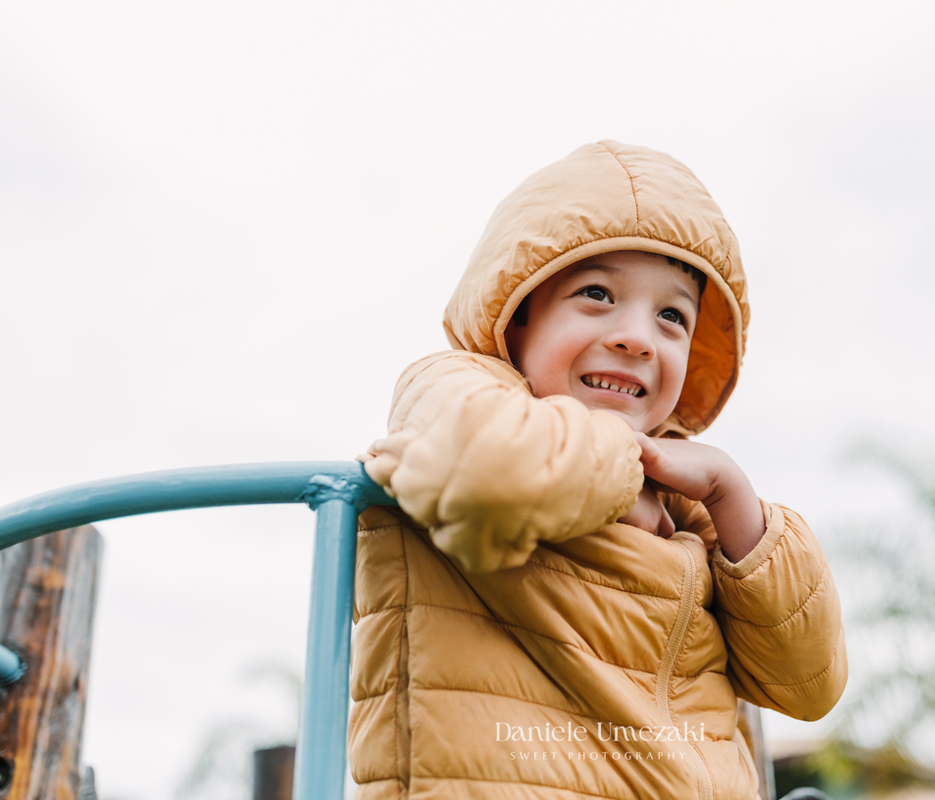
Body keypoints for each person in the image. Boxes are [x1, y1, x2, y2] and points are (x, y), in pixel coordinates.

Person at [352, 141, 847, 800]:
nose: (637, 336)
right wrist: (624, 460)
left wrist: (734, 500)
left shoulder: (690, 504)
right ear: (521, 310)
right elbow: (487, 476)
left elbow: (809, 687)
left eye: (672, 316)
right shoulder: (456, 392)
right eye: (597, 293)